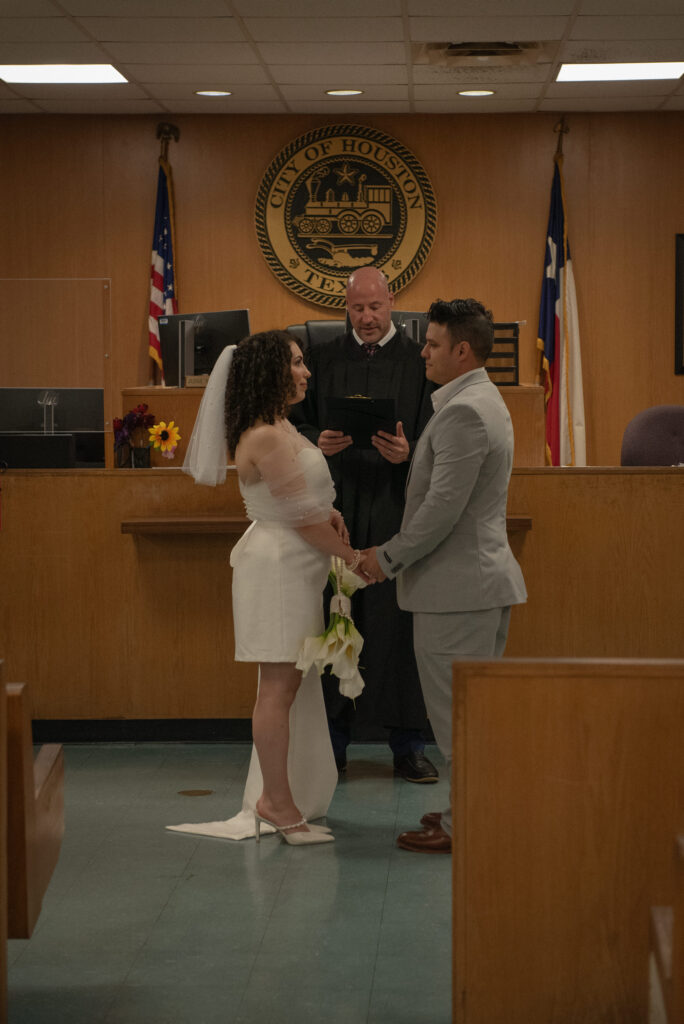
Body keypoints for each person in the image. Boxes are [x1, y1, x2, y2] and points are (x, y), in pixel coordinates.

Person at [167, 330, 368, 847]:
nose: (305, 372)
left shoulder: (283, 425)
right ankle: (275, 803)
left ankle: (283, 795)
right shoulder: (265, 436)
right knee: (277, 688)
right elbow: (299, 518)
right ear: (269, 372)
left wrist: (332, 514)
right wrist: (356, 560)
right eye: (295, 363)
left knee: (290, 685)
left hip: (298, 564)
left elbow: (304, 499)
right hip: (278, 567)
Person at [360, 298, 527, 853]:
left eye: (432, 344)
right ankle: (469, 810)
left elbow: (440, 511)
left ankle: (465, 827)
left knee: (459, 720)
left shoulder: (464, 412)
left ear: (462, 351)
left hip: (458, 591)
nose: (423, 352)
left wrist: (386, 558)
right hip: (471, 585)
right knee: (470, 715)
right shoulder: (477, 399)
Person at [291, 266, 439, 783]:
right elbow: (295, 423)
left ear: (391, 302)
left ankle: (408, 745)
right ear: (346, 308)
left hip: (397, 509)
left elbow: (436, 434)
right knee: (335, 617)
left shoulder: (420, 361)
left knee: (398, 626)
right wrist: (316, 440)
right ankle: (332, 744)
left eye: (375, 307)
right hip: (338, 508)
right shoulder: (323, 359)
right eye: (357, 308)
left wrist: (410, 451)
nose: (367, 317)